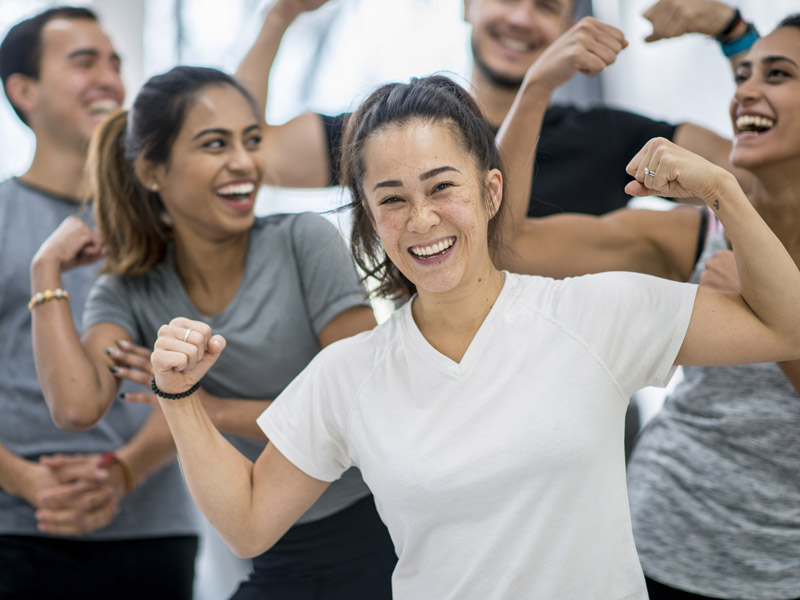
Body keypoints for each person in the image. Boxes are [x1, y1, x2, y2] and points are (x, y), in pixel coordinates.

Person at [148, 75, 800, 599]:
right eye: (392, 200)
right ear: (371, 220)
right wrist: (177, 397)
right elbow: (248, 522)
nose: (423, 218)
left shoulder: (598, 309)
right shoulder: (349, 374)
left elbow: (785, 327)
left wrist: (724, 192)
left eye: (442, 187)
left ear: (491, 192)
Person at [31, 65, 396, 599]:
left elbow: (360, 409)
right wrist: (45, 271)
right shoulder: (130, 292)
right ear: (153, 171)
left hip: (380, 527)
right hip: (277, 546)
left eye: (251, 140)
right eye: (215, 144)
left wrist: (203, 408)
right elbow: (76, 408)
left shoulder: (302, 241)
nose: (244, 162)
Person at [0, 7, 198, 598]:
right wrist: (27, 482)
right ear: (24, 90)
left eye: (115, 63)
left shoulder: (169, 223)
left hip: (154, 530)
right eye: (83, 61)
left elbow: (204, 370)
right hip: (17, 531)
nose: (110, 79)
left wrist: (126, 472)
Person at [235, 0, 745, 217]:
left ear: (569, 25)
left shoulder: (610, 139)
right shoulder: (393, 130)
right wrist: (280, 15)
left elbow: (757, 178)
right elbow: (240, 153)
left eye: (547, 5)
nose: (522, 17)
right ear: (467, 5)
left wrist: (734, 33)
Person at [622, 7, 800, 600]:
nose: (745, 89)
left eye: (774, 73)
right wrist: (730, 30)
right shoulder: (710, 231)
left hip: (775, 572)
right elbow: (763, 106)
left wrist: (762, 310)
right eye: (742, 72)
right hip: (649, 540)